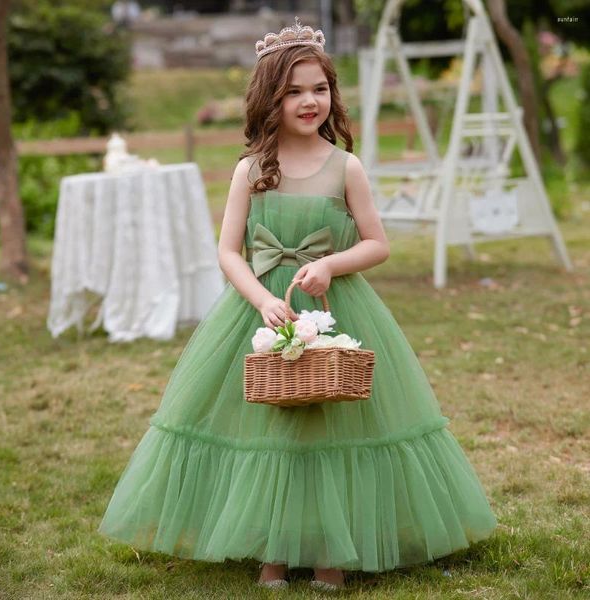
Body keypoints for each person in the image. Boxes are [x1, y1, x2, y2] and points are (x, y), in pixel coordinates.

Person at [99, 18, 497, 591]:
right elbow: (228, 251)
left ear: (332, 94)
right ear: (270, 98)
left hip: (332, 310)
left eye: (319, 88)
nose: (309, 101)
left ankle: (330, 551)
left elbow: (377, 243)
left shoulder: (345, 167)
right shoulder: (252, 170)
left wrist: (332, 263)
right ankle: (273, 552)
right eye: (293, 91)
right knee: (270, 428)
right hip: (266, 313)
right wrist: (261, 299)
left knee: (331, 423)